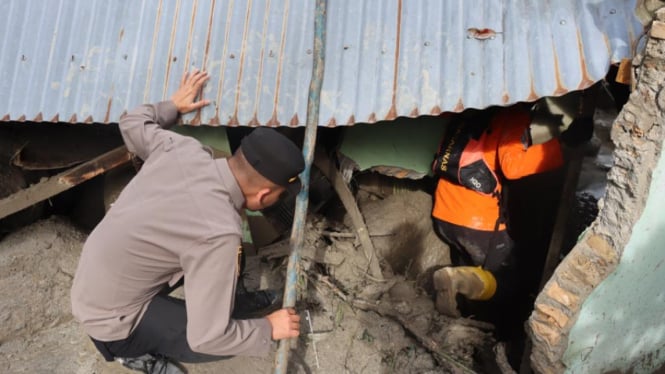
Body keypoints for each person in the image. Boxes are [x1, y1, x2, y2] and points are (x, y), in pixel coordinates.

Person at [71, 69, 303, 373]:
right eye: (280, 195)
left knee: (229, 257)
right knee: (202, 337)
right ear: (263, 196)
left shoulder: (182, 149)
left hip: (102, 275)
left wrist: (173, 105)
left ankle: (235, 306)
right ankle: (133, 353)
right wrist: (268, 329)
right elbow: (207, 338)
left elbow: (131, 122)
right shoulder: (218, 233)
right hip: (110, 317)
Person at [430, 102, 591, 330]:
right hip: (476, 224)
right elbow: (513, 165)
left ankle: (465, 307)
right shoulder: (513, 116)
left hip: (445, 214)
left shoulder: (469, 113)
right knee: (509, 279)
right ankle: (469, 295)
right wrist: (562, 145)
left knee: (471, 263)